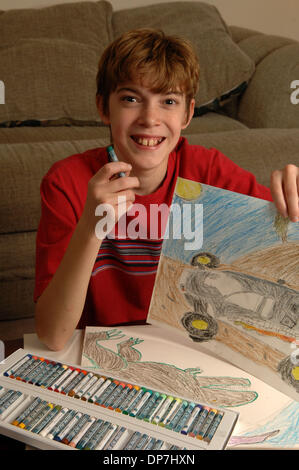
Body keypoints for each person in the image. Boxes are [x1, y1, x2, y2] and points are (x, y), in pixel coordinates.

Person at [34, 29, 299, 351]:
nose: (150, 118)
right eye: (131, 99)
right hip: (104, 352)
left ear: (187, 113)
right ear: (104, 108)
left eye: (168, 102)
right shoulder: (67, 182)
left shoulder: (209, 171)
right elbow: (52, 335)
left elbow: (284, 244)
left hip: (195, 348)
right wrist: (91, 228)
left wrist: (293, 206)